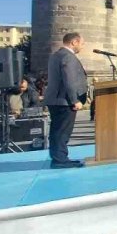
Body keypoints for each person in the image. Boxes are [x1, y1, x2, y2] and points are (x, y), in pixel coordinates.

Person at [44, 32, 89, 168]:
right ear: (74, 42)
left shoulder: (56, 55)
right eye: (81, 43)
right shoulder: (67, 57)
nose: (82, 47)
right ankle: (60, 160)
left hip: (56, 99)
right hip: (64, 100)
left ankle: (59, 157)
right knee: (62, 131)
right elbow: (68, 79)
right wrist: (74, 99)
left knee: (57, 130)